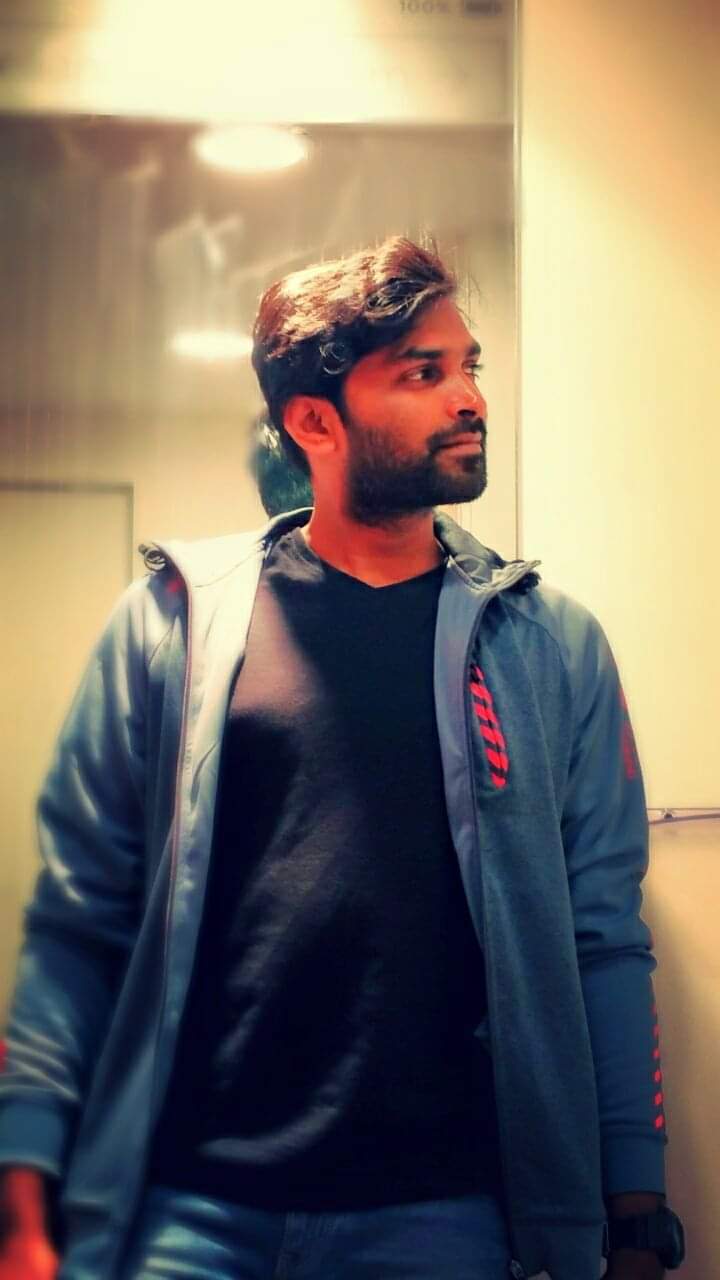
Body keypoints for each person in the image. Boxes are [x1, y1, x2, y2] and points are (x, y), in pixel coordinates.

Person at [0, 235, 684, 1280]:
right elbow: (80, 918)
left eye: (469, 367)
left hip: (442, 1210)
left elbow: (603, 936)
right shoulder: (171, 624)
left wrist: (634, 1211)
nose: (470, 398)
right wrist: (24, 1193)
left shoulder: (548, 644)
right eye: (423, 373)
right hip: (189, 1208)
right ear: (314, 422)